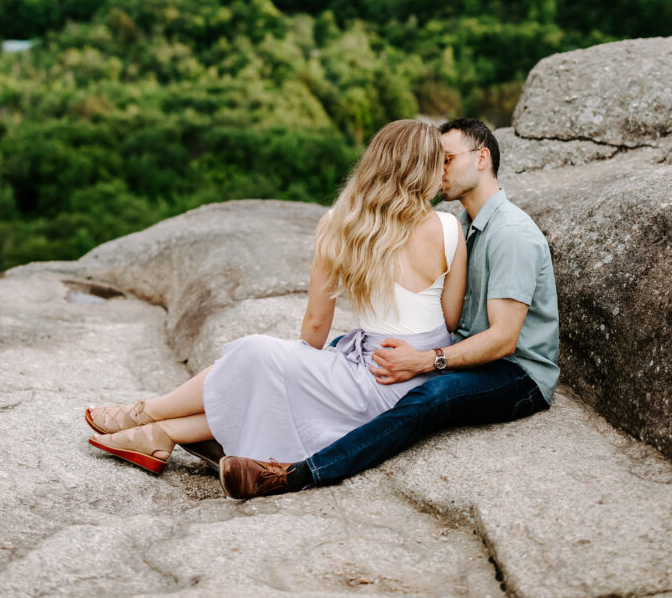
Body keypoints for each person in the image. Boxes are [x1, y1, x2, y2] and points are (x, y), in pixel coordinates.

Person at [86, 119, 468, 480]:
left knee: (256, 355)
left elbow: (317, 326)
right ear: (423, 171)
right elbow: (448, 321)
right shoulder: (450, 228)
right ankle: (158, 435)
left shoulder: (341, 225)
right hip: (415, 379)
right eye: (440, 163)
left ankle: (142, 414)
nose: (444, 174)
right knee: (264, 370)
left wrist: (299, 368)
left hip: (375, 375)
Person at [218, 117, 559, 499]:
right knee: (342, 352)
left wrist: (428, 360)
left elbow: (504, 340)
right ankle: (227, 429)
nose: (437, 170)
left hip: (517, 374)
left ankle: (295, 473)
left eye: (445, 159)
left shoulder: (511, 233)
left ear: (481, 158)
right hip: (468, 350)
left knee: (433, 397)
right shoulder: (460, 223)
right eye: (435, 159)